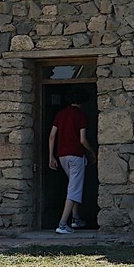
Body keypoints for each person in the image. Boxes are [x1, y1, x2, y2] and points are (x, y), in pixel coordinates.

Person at [48, 91, 97, 234]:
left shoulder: (60, 115)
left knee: (73, 186)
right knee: (74, 189)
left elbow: (52, 136)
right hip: (76, 156)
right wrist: (91, 151)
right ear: (81, 102)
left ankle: (76, 219)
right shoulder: (81, 116)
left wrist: (51, 156)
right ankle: (62, 224)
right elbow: (82, 140)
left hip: (62, 156)